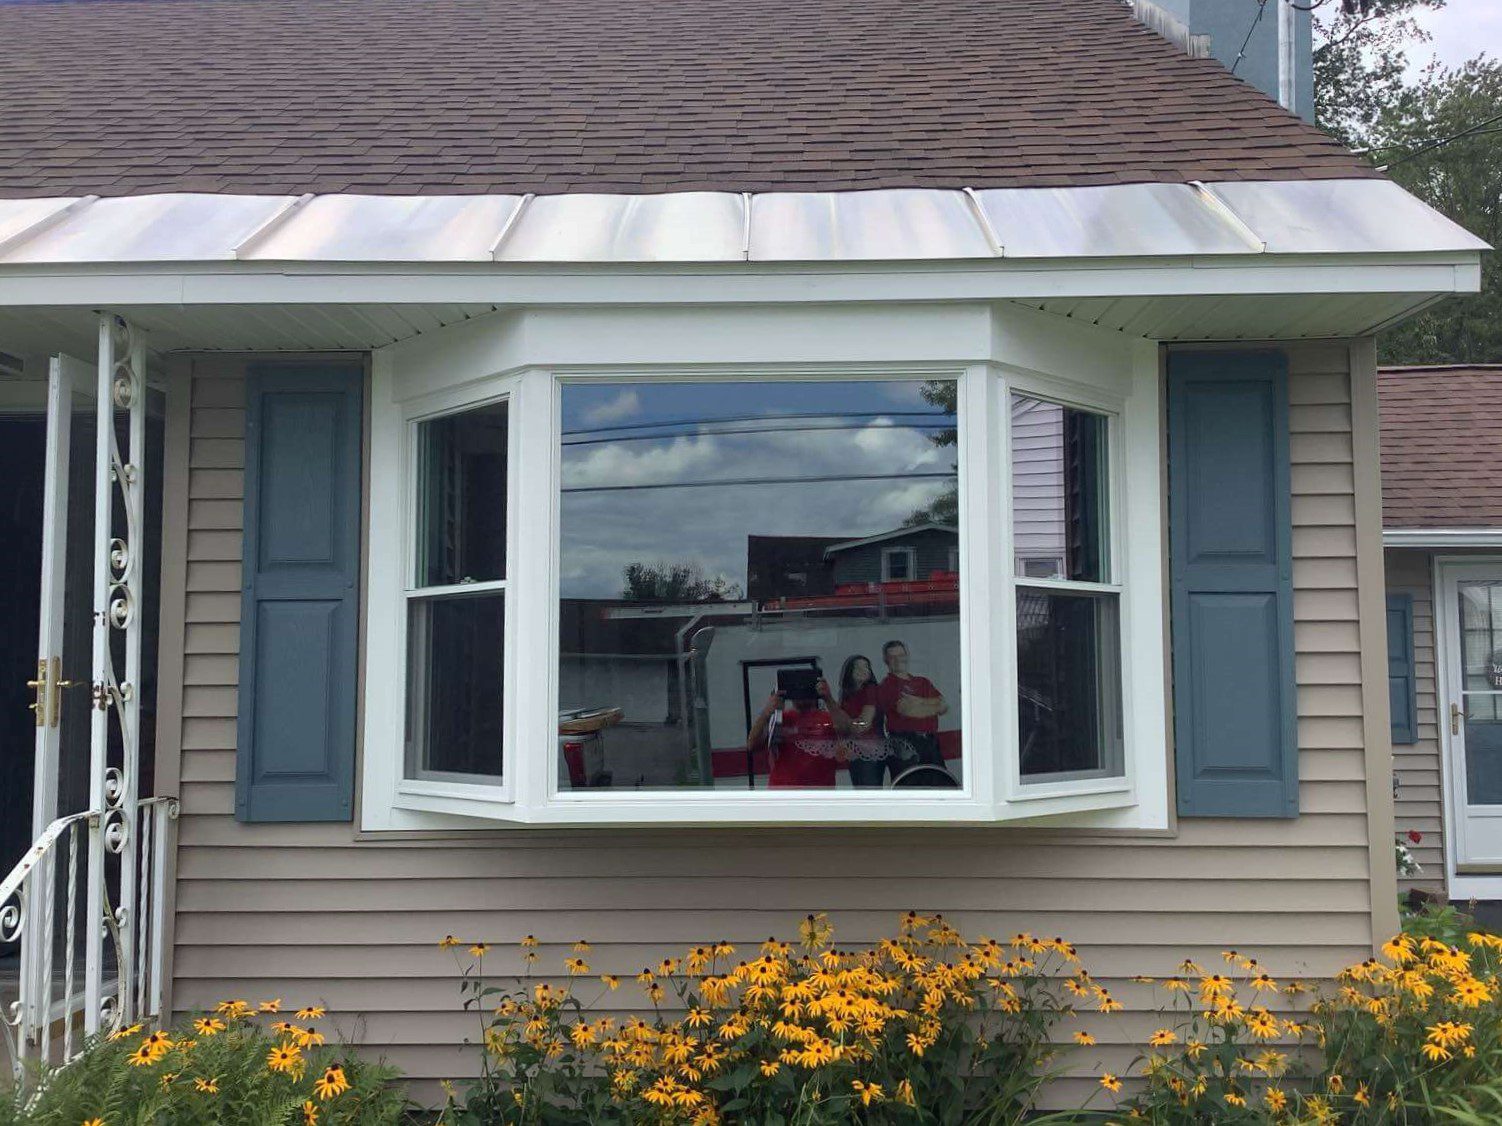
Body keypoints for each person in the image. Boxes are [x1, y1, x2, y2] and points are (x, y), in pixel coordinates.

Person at [746, 677, 849, 788]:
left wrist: (828, 699)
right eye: (796, 688)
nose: (801, 693)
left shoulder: (829, 719)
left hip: (819, 793)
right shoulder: (780, 719)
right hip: (784, 792)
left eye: (806, 688)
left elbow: (849, 732)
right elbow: (752, 745)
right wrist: (767, 712)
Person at [876, 640, 947, 768]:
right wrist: (933, 705)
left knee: (941, 784)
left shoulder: (922, 681)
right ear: (886, 660)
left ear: (907, 656)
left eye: (901, 655)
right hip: (906, 746)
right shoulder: (886, 686)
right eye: (892, 657)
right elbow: (909, 711)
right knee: (912, 785)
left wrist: (919, 701)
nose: (898, 660)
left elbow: (944, 706)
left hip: (931, 743)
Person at [838, 654, 897, 788]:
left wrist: (845, 724)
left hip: (871, 752)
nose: (863, 670)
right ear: (849, 672)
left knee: (869, 793)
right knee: (861, 793)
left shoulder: (870, 689)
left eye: (866, 667)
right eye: (857, 667)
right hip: (855, 752)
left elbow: (863, 724)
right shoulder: (847, 695)